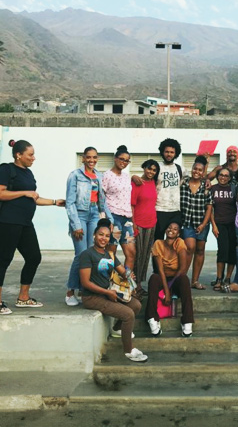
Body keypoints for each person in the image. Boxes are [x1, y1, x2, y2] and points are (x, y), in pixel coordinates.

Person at [0, 140, 65, 315]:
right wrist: (24, 192)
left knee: (34, 257)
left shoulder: (28, 173)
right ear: (18, 155)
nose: (33, 158)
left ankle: (23, 297)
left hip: (26, 222)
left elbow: (34, 198)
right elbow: (1, 193)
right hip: (8, 222)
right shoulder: (6, 169)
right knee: (3, 260)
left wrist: (55, 202)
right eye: (30, 154)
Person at [79, 218, 147, 362]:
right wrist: (107, 292)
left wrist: (131, 282)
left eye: (107, 236)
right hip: (92, 297)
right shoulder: (87, 255)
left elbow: (123, 272)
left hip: (108, 293)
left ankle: (117, 329)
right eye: (100, 235)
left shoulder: (109, 254)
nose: (103, 238)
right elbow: (85, 283)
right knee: (128, 314)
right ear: (94, 235)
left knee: (136, 305)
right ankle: (128, 351)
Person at [65, 146, 112, 307]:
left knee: (92, 253)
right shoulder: (75, 175)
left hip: (94, 215)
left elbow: (103, 202)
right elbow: (70, 202)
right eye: (89, 157)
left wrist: (109, 219)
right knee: (80, 254)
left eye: (94, 157)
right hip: (79, 214)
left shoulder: (99, 176)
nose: (92, 160)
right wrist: (76, 224)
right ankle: (70, 291)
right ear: (83, 158)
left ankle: (85, 289)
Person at [145, 222, 195, 337]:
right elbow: (160, 270)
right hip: (162, 277)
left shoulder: (180, 243)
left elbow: (182, 268)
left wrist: (169, 287)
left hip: (176, 278)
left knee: (184, 279)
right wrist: (166, 291)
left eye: (175, 229)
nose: (171, 230)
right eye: (169, 227)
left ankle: (187, 321)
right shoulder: (158, 243)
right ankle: (152, 318)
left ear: (178, 233)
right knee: (153, 278)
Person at [132, 138, 185, 242]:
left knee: (175, 242)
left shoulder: (181, 169)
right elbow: (144, 179)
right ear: (162, 152)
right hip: (159, 209)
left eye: (172, 152)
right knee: (157, 241)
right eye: (166, 152)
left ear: (176, 153)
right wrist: (133, 177)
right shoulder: (157, 167)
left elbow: (194, 180)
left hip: (175, 210)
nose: (169, 154)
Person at [180, 156, 213, 290]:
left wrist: (203, 224)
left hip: (202, 223)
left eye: (200, 170)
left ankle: (194, 281)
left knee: (200, 250)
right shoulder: (183, 183)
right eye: (195, 169)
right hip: (186, 222)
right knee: (190, 247)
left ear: (203, 172)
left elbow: (209, 207)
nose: (197, 172)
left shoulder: (206, 187)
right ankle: (182, 279)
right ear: (192, 169)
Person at [102, 145, 136, 271]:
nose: (124, 162)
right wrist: (105, 218)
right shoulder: (106, 175)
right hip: (113, 217)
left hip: (127, 219)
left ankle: (127, 280)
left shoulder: (127, 176)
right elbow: (101, 198)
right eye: (122, 159)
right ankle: (109, 280)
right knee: (111, 252)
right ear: (115, 158)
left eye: (127, 160)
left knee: (131, 252)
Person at [131, 159, 160, 295]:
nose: (151, 172)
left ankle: (139, 285)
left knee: (145, 256)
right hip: (138, 224)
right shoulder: (136, 183)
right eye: (149, 169)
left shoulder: (154, 182)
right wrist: (133, 224)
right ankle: (133, 285)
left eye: (154, 170)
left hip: (151, 223)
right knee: (137, 255)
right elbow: (132, 205)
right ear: (144, 168)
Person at [210, 168, 237, 291]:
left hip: (233, 223)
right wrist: (213, 225)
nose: (223, 177)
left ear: (230, 178)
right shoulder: (213, 189)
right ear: (217, 176)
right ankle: (219, 278)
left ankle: (227, 278)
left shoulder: (234, 189)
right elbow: (210, 208)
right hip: (219, 223)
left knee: (232, 251)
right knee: (222, 250)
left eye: (226, 176)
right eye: (221, 175)